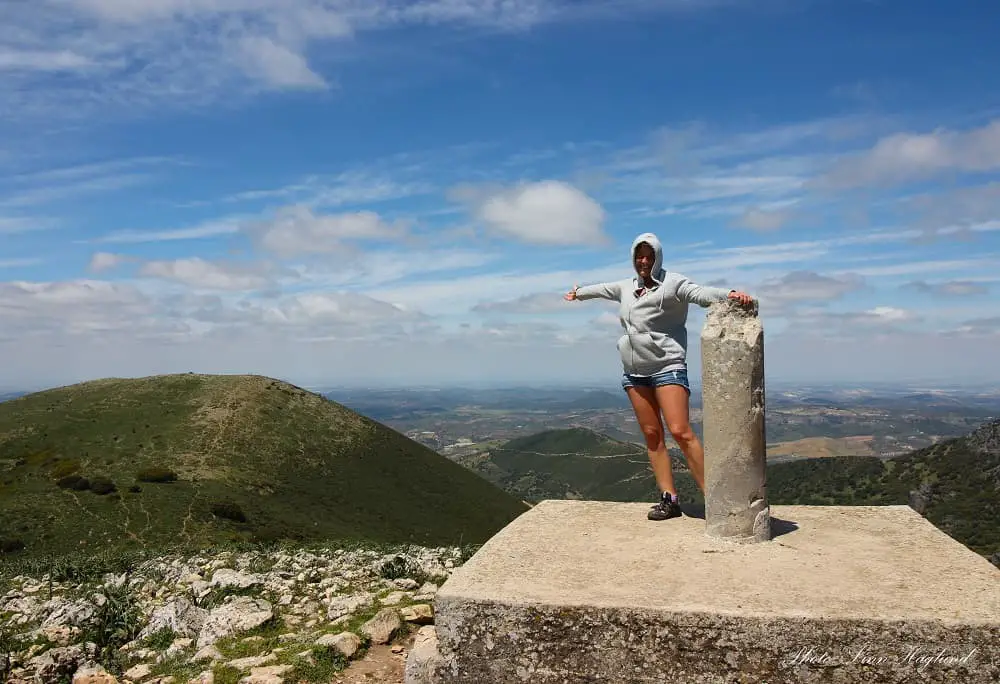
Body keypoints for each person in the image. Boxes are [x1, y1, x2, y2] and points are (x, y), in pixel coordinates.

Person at [565, 232, 754, 521]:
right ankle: (669, 499)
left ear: (657, 257)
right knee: (653, 435)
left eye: (649, 255)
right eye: (639, 255)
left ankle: (715, 497)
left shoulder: (673, 283)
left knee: (680, 431)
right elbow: (601, 289)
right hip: (634, 372)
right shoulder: (626, 287)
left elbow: (700, 293)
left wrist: (728, 295)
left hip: (668, 366)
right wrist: (578, 293)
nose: (643, 261)